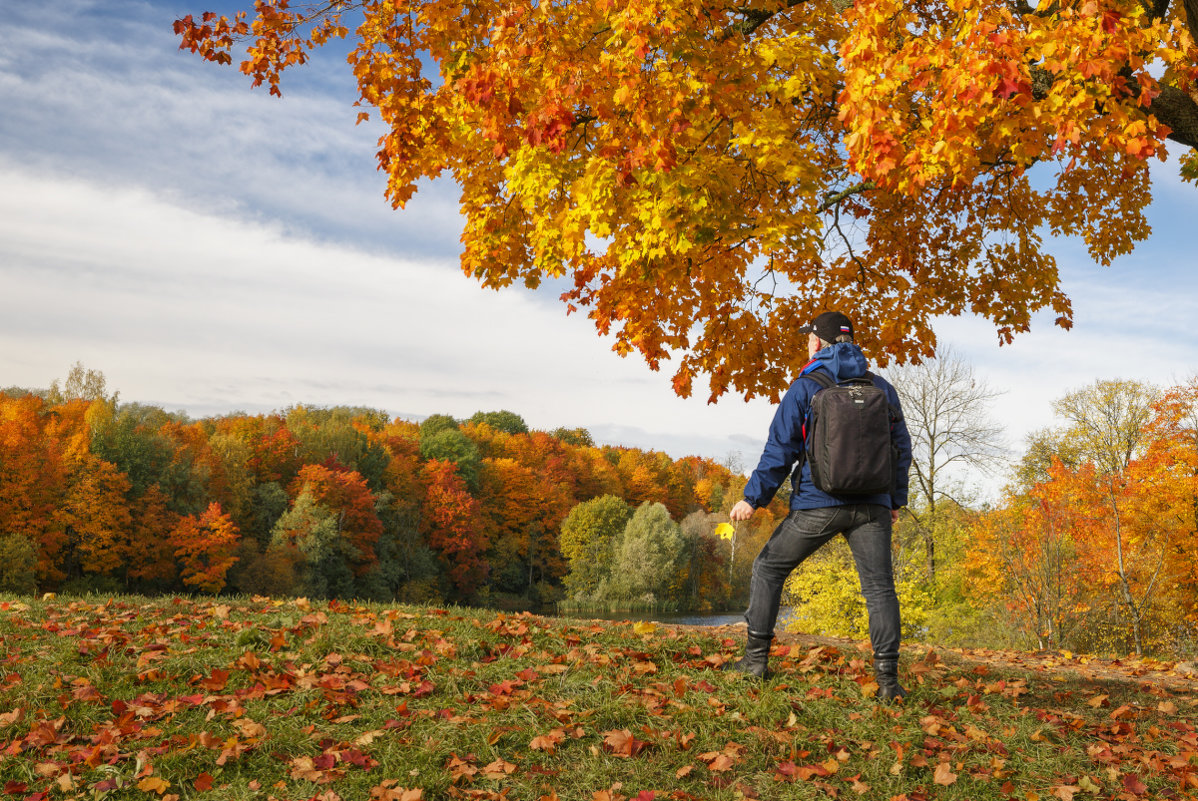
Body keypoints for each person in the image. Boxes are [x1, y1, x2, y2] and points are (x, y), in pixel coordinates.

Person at [726, 311, 913, 700]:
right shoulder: (882, 388)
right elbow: (901, 449)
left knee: (768, 568)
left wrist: (752, 498)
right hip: (873, 505)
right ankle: (888, 685)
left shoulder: (806, 386)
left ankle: (756, 662)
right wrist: (894, 500)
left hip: (819, 503)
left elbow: (781, 448)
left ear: (815, 343)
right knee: (879, 589)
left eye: (807, 338)